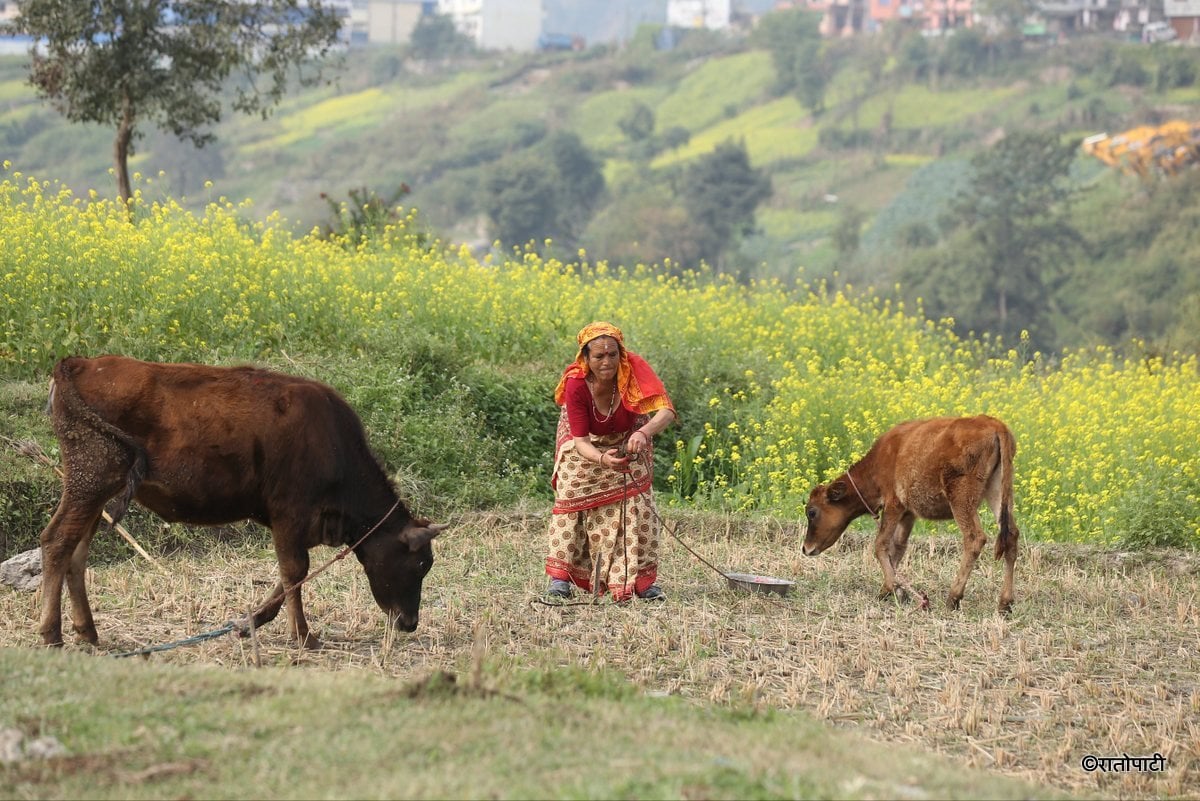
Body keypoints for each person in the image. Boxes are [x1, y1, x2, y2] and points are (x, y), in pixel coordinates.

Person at [545, 322, 676, 602]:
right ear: (586, 359)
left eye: (612, 355)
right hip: (584, 442)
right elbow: (581, 442)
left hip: (630, 437)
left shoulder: (634, 370)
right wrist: (603, 459)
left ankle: (640, 582)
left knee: (638, 506)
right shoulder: (576, 384)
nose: (607, 362)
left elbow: (666, 411)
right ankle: (560, 580)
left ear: (621, 354)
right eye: (599, 356)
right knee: (571, 500)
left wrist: (643, 432)